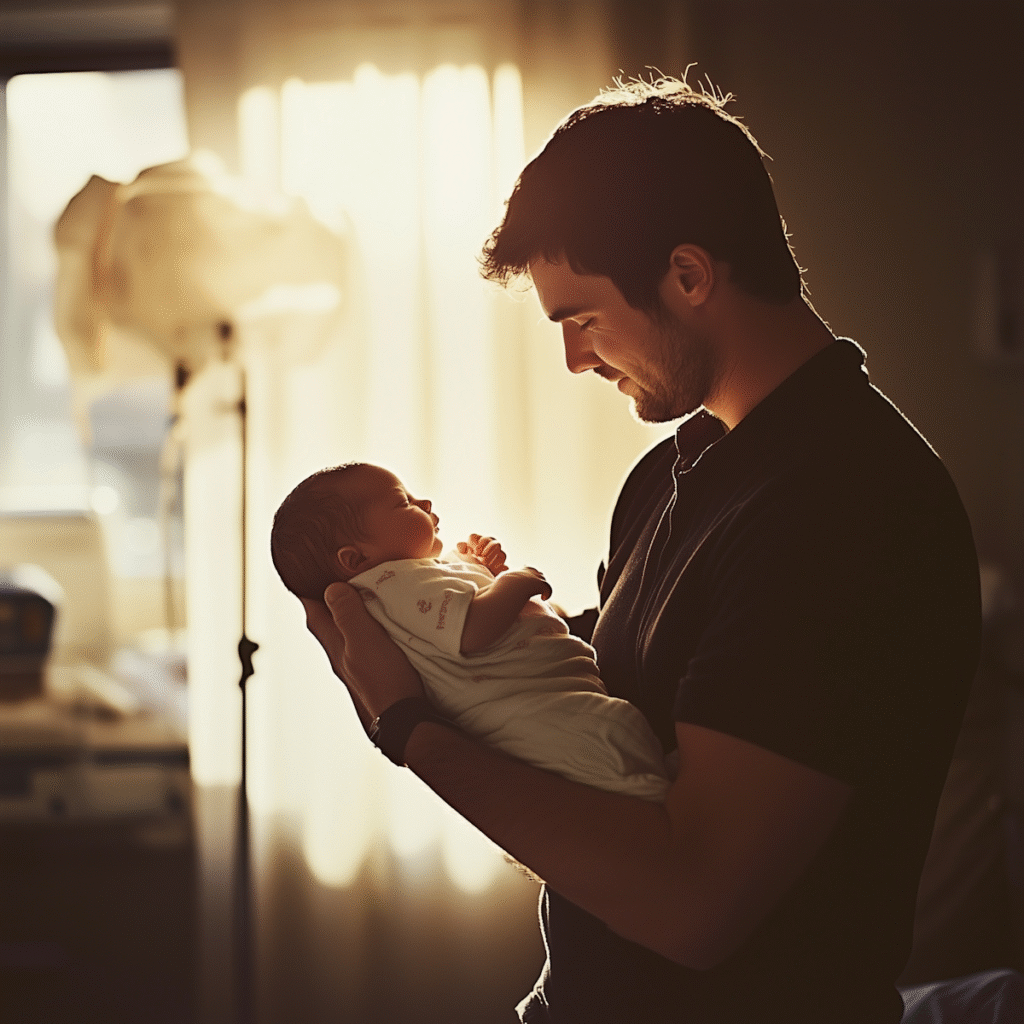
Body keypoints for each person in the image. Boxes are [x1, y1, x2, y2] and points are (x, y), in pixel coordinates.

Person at [301, 77, 982, 1023]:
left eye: (581, 318)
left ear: (689, 276)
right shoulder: (673, 476)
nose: (576, 359)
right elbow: (605, 741)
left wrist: (408, 727)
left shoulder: (850, 506)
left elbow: (691, 904)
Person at [270, 462, 670, 800]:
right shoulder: (394, 584)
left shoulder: (404, 586)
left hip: (536, 703)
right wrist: (515, 582)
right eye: (403, 503)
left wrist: (479, 570)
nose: (424, 504)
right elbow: (473, 630)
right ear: (356, 558)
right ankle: (658, 794)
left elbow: (455, 612)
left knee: (614, 744)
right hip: (531, 711)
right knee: (613, 735)